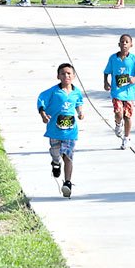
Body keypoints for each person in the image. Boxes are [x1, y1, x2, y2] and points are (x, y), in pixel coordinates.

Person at [37, 63, 85, 198]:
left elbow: (79, 103)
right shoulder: (53, 91)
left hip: (70, 131)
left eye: (69, 73)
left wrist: (80, 112)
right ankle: (55, 163)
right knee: (56, 153)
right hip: (55, 130)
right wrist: (43, 114)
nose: (66, 76)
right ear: (58, 76)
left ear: (74, 76)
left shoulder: (76, 92)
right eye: (63, 73)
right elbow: (41, 100)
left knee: (68, 156)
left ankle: (68, 183)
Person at [103, 34, 135, 150]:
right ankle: (118, 124)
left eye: (127, 42)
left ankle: (126, 138)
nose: (124, 44)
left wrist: (134, 78)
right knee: (118, 113)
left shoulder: (134, 59)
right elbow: (106, 71)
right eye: (122, 42)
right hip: (117, 92)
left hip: (129, 93)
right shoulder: (113, 58)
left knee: (127, 116)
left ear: (131, 45)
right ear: (119, 44)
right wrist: (105, 82)